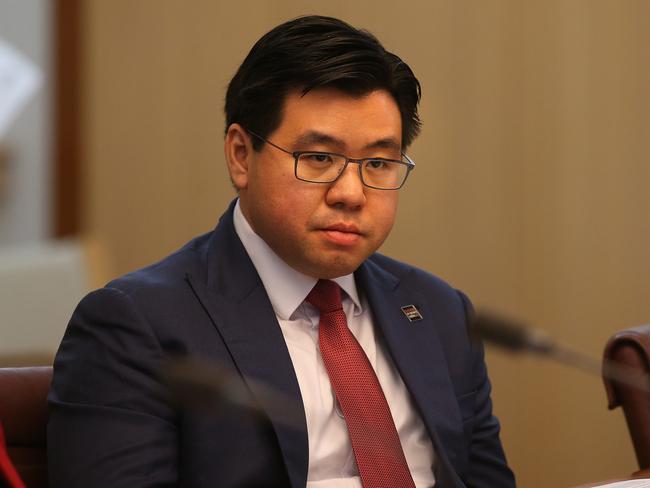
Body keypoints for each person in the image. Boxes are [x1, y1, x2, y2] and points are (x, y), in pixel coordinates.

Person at [48, 15, 515, 488]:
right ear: (240, 155)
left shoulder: (441, 311)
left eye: (378, 163)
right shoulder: (137, 325)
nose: (351, 193)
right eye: (318, 158)